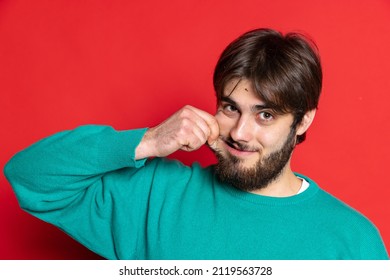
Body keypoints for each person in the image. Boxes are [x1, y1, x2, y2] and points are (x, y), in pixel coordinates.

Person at [4, 28, 388, 260]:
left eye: (265, 115)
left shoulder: (352, 241)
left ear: (303, 120)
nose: (239, 133)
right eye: (229, 108)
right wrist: (149, 142)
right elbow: (29, 176)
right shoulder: (157, 196)